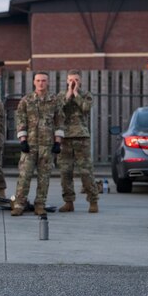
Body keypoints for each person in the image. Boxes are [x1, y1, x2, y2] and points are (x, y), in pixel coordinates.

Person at [11, 71, 65, 216]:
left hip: (47, 146)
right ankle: (19, 204)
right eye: (38, 80)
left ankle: (40, 204)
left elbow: (59, 121)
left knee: (44, 177)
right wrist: (23, 140)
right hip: (30, 145)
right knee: (24, 176)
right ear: (34, 82)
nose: (41, 83)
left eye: (44, 80)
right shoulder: (26, 100)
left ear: (48, 82)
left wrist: (58, 142)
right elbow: (21, 120)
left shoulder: (54, 100)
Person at [57, 70, 99, 213]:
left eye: (76, 79)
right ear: (67, 81)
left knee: (86, 171)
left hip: (81, 137)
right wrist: (69, 94)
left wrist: (76, 94)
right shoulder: (62, 95)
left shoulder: (86, 95)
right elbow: (58, 109)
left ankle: (93, 201)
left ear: (80, 81)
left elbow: (86, 108)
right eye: (70, 80)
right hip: (65, 138)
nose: (73, 82)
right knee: (65, 172)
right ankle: (69, 202)